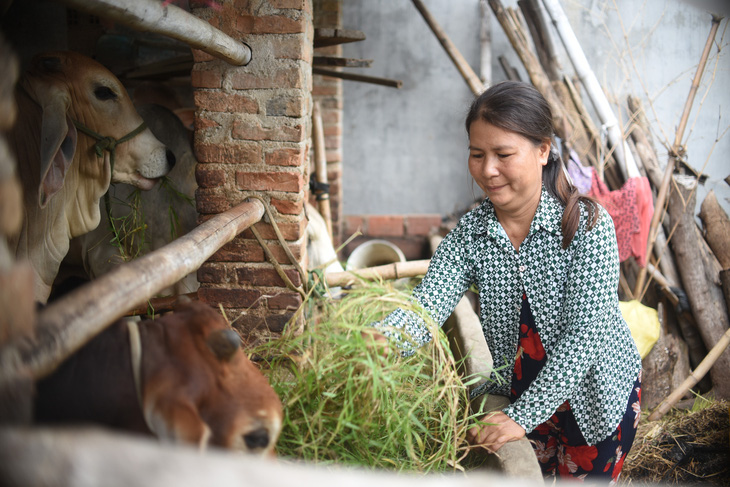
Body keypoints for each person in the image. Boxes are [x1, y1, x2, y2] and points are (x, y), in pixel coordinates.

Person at [369, 80, 642, 482]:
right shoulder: (472, 234)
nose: (487, 169)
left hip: (593, 400)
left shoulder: (587, 226)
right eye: (477, 155)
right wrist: (379, 341)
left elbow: (583, 338)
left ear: (543, 150)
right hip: (519, 394)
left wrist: (520, 416)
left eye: (503, 154)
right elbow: (428, 303)